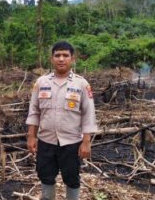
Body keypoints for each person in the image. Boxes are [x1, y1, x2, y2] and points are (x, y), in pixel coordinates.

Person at [26, 41, 97, 200]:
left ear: (72, 59)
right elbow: (34, 112)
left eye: (65, 55)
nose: (61, 59)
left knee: (71, 178)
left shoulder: (81, 84)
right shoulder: (41, 83)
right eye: (57, 55)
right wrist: (31, 136)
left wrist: (86, 142)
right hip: (46, 141)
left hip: (71, 143)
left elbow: (89, 115)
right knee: (45, 176)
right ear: (52, 59)